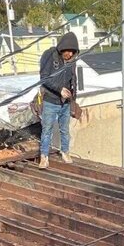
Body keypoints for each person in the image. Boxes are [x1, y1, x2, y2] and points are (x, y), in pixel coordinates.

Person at [37, 32, 80, 168]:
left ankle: (65, 152)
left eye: (72, 52)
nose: (70, 55)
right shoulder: (49, 55)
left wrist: (73, 97)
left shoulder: (71, 62)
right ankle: (44, 156)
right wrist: (59, 89)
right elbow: (44, 78)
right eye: (68, 51)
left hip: (65, 102)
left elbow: (73, 79)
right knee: (47, 129)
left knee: (65, 129)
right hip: (50, 100)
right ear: (62, 48)